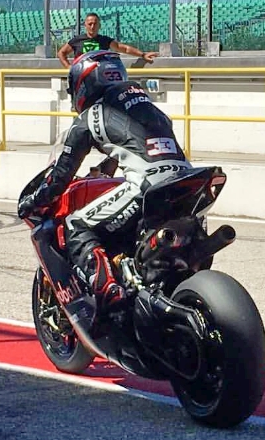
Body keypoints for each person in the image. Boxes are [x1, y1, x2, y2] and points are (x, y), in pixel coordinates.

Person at [17, 50, 191, 326]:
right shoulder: (145, 106)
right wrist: (103, 171)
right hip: (187, 182)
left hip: (148, 186)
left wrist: (33, 202)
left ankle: (108, 291)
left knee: (76, 224)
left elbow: (61, 176)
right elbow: (132, 145)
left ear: (84, 83)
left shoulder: (91, 116)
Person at [57, 12, 158, 69]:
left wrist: (143, 55)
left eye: (95, 24)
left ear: (99, 26)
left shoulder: (104, 40)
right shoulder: (77, 40)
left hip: (99, 77)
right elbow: (61, 53)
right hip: (81, 78)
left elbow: (124, 48)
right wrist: (69, 67)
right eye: (90, 24)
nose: (92, 26)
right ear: (85, 25)